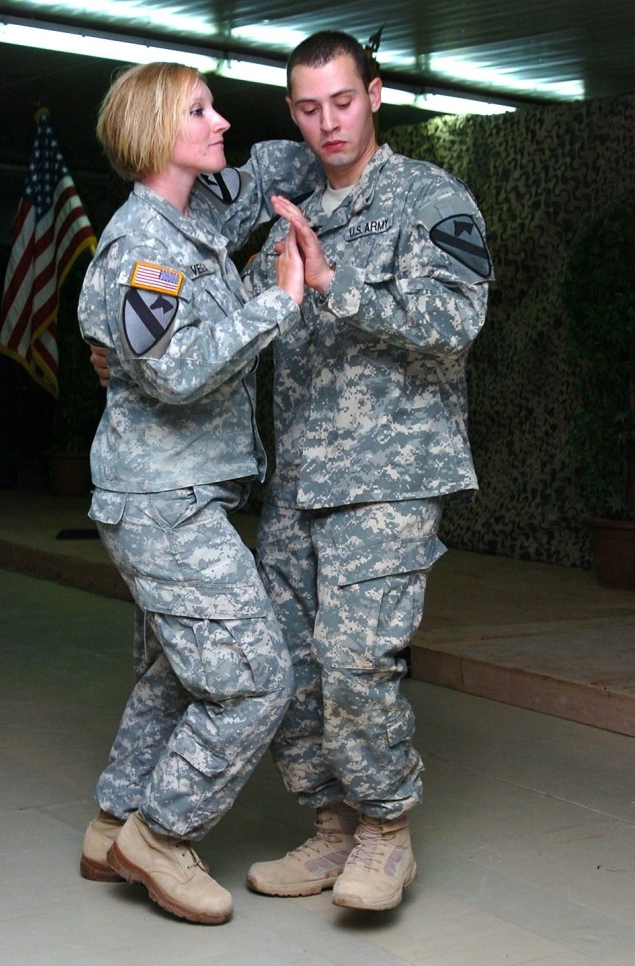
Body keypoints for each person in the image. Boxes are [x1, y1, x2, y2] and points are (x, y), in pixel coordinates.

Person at [241, 31, 493, 912]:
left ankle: (386, 834)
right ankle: (332, 827)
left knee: (355, 663)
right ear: (293, 112)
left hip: (388, 480)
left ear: (374, 95)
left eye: (342, 102)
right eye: (309, 109)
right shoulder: (291, 202)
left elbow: (457, 318)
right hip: (298, 481)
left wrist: (333, 279)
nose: (328, 123)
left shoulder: (430, 196)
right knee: (289, 669)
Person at [77, 61, 321, 925]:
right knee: (259, 677)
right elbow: (179, 371)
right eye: (200, 110)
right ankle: (162, 834)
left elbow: (266, 177)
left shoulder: (194, 223)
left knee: (176, 675)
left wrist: (269, 270)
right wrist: (280, 302)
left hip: (178, 492)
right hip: (162, 502)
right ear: (154, 134)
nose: (221, 122)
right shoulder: (145, 244)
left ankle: (112, 824)